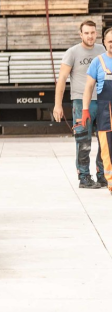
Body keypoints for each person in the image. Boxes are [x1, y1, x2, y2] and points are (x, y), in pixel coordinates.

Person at [54, 20, 104, 189]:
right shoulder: (72, 52)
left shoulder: (102, 50)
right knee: (83, 141)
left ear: (96, 33)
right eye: (86, 33)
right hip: (81, 103)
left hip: (103, 101)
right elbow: (62, 79)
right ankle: (84, 177)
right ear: (80, 34)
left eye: (93, 32)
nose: (90, 36)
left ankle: (102, 176)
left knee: (105, 140)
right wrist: (58, 105)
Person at [78, 26, 112, 194]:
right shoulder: (98, 62)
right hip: (106, 113)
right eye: (110, 41)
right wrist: (85, 110)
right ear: (104, 42)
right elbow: (89, 87)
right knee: (107, 149)